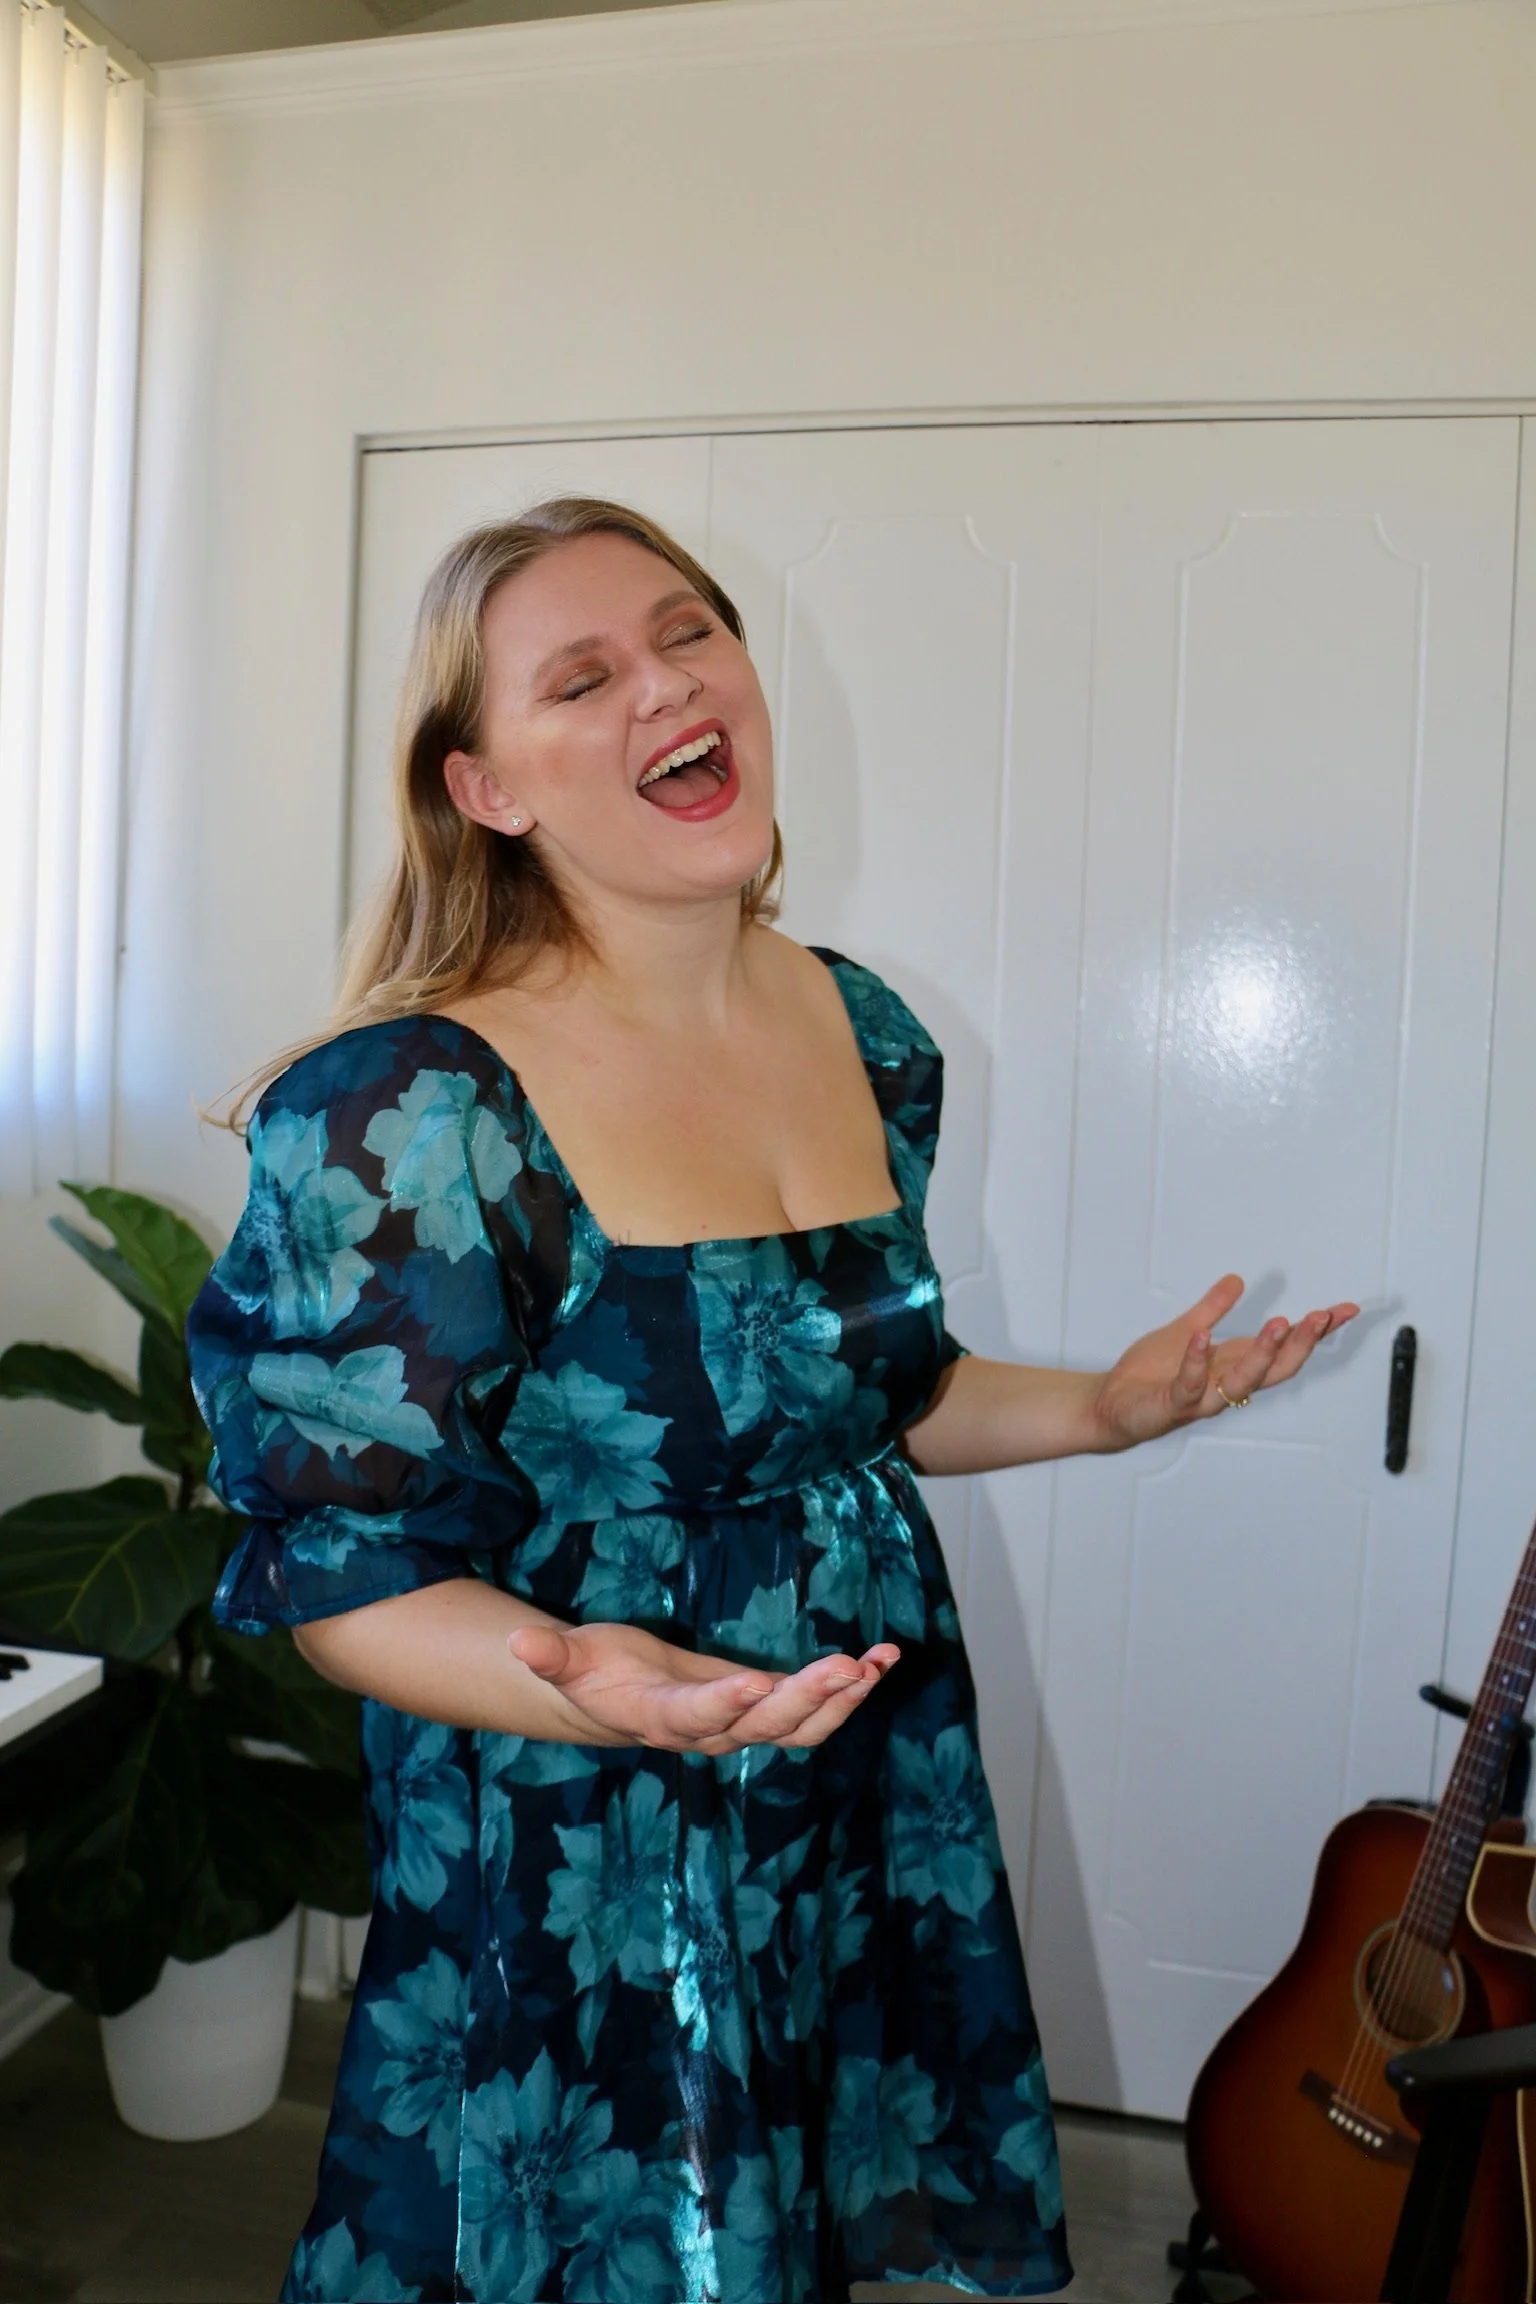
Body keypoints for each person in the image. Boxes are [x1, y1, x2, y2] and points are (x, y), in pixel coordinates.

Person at [187, 497, 1357, 2304]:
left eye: (688, 634)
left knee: (787, 2219)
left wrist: (1109, 1414)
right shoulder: (408, 1107)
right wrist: (590, 1684)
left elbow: (864, 1402)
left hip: (854, 1756)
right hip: (587, 1804)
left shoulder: (860, 1021)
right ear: (485, 787)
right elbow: (340, 1576)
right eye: (581, 677)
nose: (667, 684)